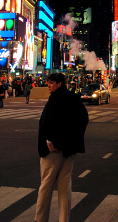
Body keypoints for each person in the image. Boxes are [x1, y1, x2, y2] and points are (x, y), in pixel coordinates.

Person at [35, 73, 88, 222]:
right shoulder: (72, 97)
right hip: (69, 149)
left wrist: (52, 141)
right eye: (47, 82)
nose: (48, 85)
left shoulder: (56, 98)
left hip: (53, 150)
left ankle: (40, 219)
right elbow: (83, 118)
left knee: (46, 185)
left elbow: (50, 121)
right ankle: (64, 219)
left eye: (51, 82)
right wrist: (73, 140)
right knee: (65, 186)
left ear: (59, 83)